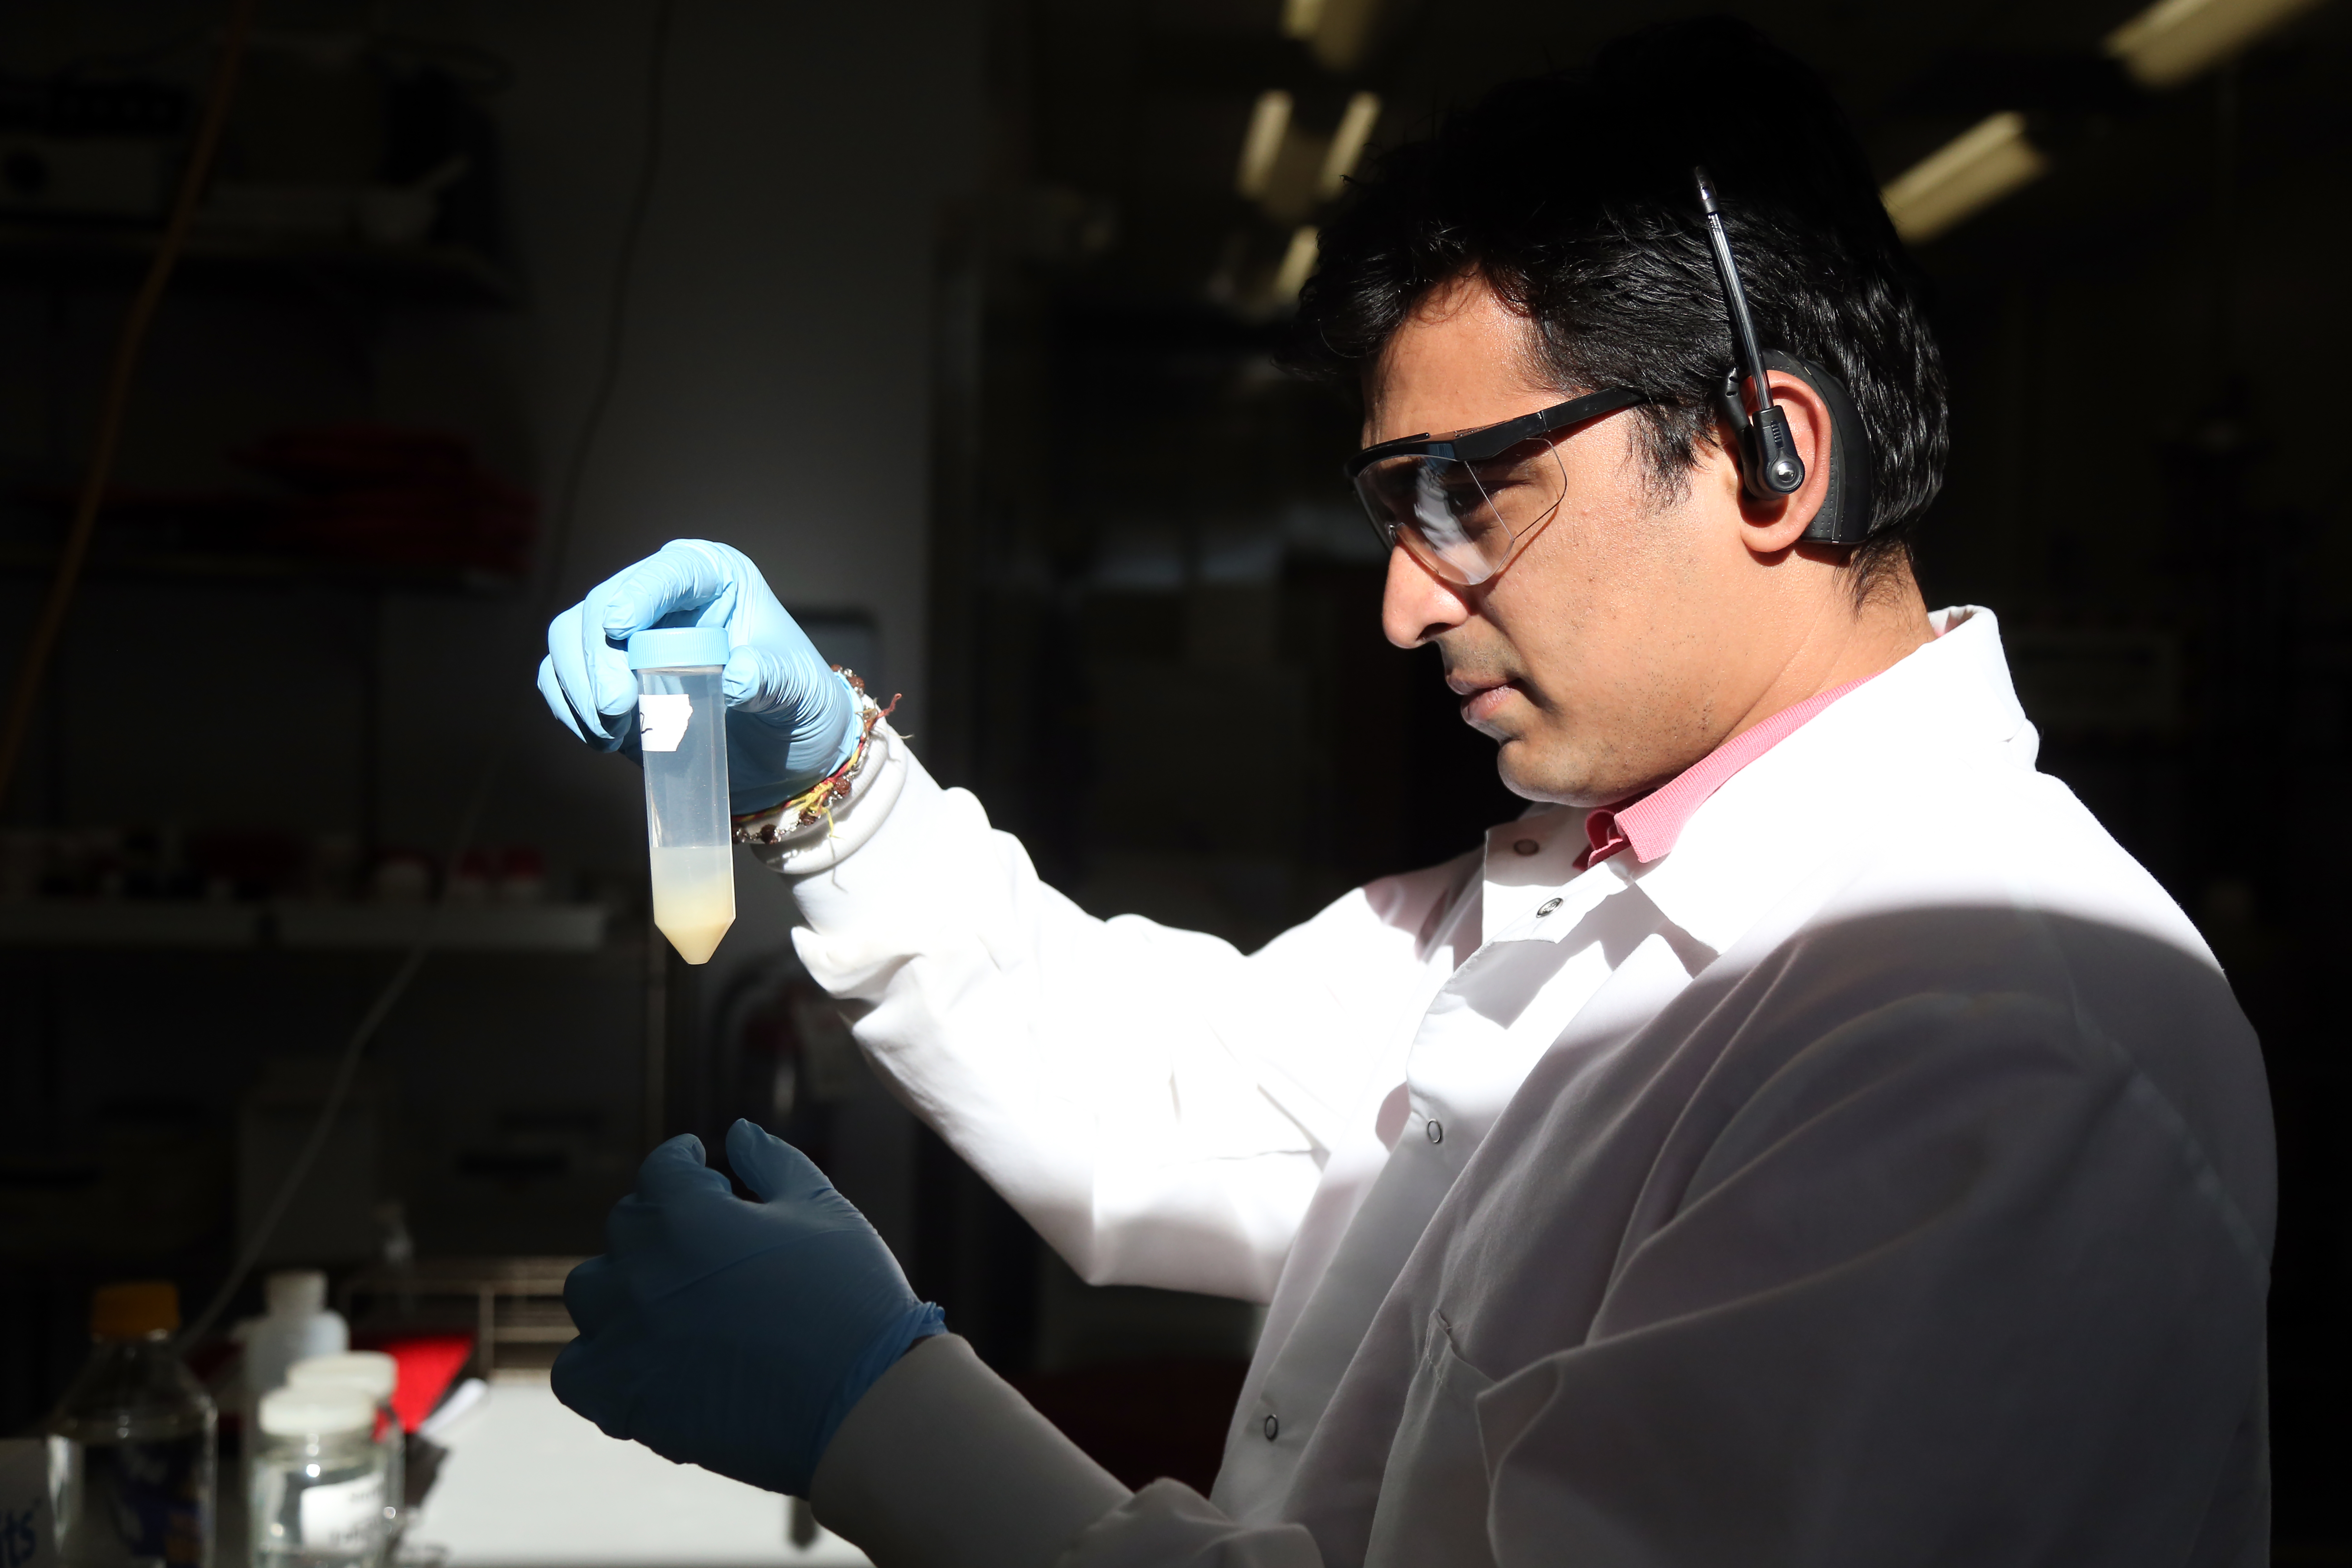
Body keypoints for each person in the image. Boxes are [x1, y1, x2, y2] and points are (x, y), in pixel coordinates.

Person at [536, 20, 2272, 1567]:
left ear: (1768, 453)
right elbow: (1177, 1095)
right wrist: (835, 785)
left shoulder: (1996, 1037)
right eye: (1391, 508)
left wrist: (882, 1424)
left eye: (1467, 494)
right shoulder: (1599, 876)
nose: (1403, 600)